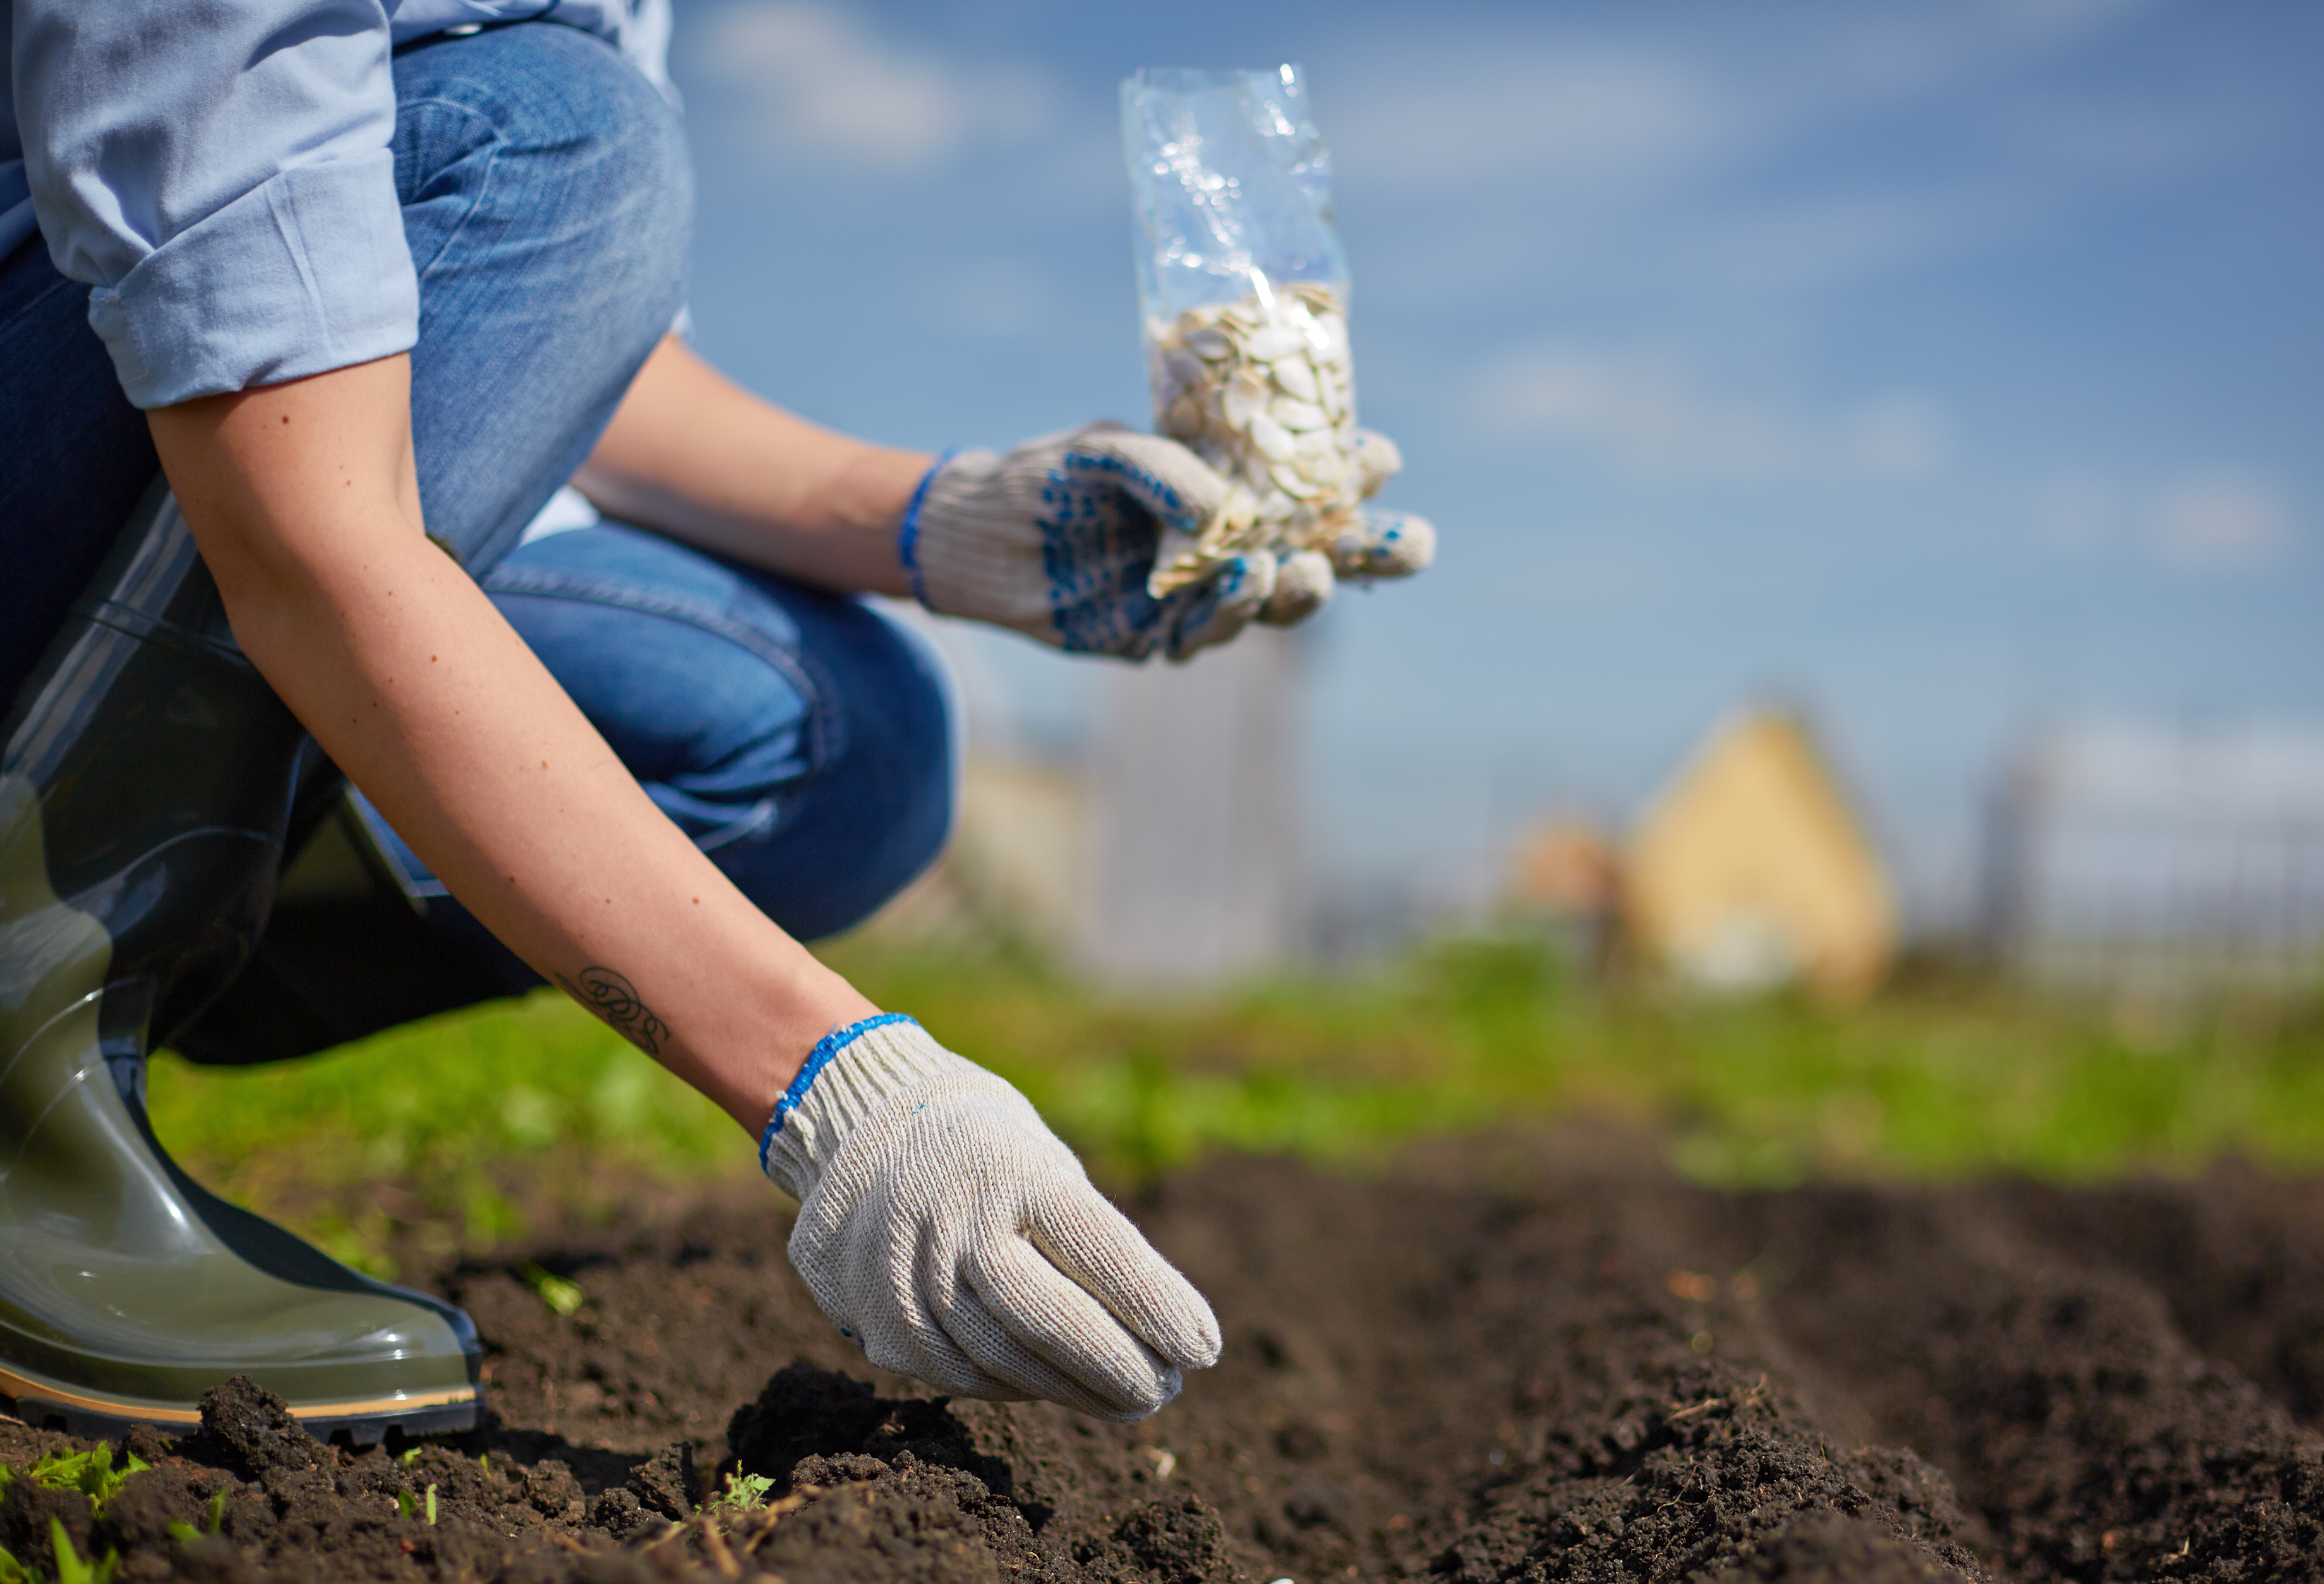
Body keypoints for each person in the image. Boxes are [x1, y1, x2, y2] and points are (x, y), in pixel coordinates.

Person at [0, 4, 1433, 1444]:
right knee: (558, 132)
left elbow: (538, 329)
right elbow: (300, 530)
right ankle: (26, 1045)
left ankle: (156, 932)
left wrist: (963, 531)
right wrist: (836, 1082)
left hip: (261, 477)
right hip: (226, 477)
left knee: (848, 740)